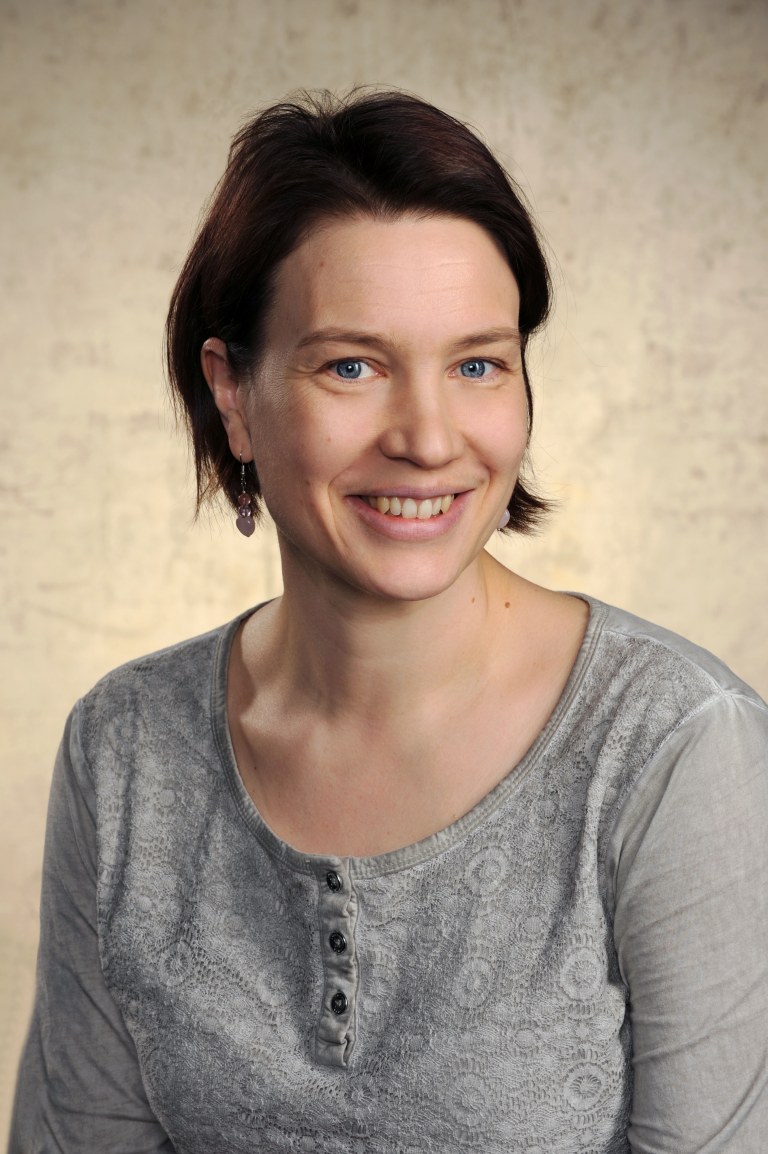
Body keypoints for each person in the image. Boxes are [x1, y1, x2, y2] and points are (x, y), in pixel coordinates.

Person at [9, 90, 767, 1154]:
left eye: (476, 364)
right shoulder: (123, 746)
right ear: (232, 394)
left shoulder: (677, 749)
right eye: (352, 366)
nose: (428, 437)